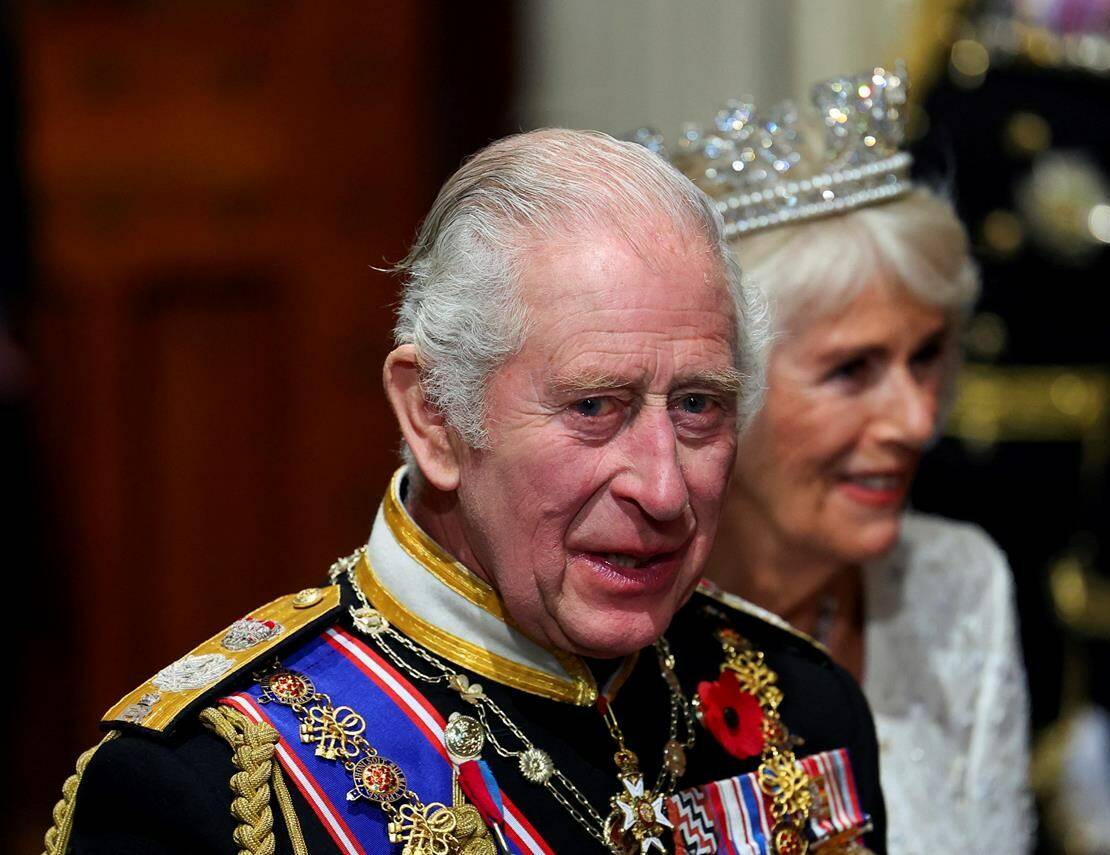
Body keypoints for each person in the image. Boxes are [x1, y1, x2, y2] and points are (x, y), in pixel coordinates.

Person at [44, 129, 887, 855]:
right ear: (434, 415)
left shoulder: (801, 703)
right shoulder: (206, 787)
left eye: (699, 405)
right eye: (595, 406)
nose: (665, 489)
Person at [646, 67, 1034, 854]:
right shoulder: (612, 617)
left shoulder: (957, 587)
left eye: (927, 357)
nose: (918, 419)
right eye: (852, 370)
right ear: (715, 394)